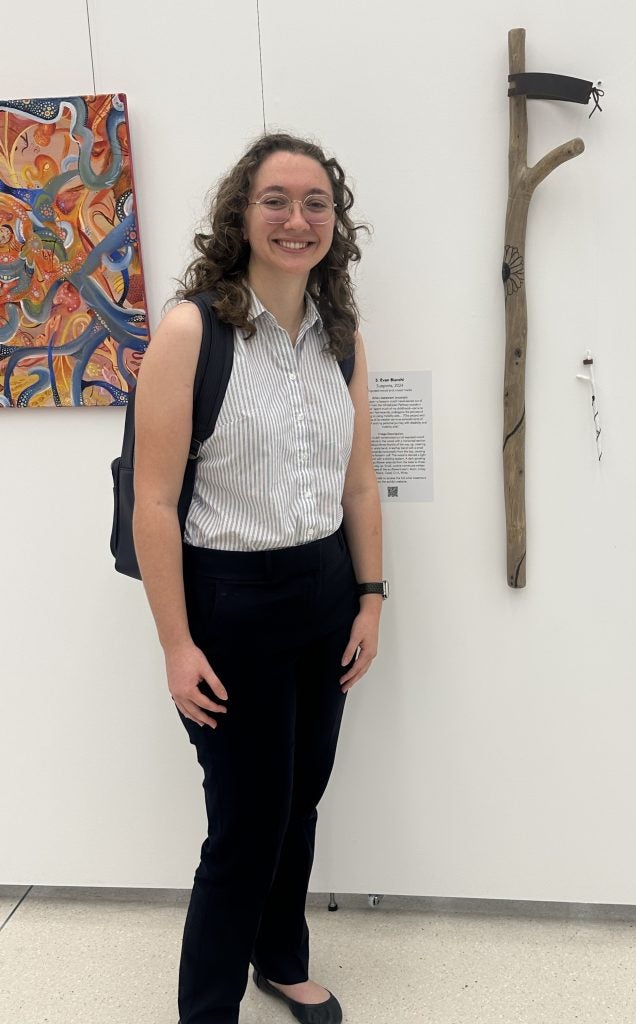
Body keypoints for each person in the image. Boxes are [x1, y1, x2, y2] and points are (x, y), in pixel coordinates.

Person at [133, 132, 384, 1024]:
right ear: (241, 214)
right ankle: (206, 1011)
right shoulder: (191, 331)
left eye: (316, 202)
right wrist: (175, 643)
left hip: (322, 592)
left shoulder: (340, 338)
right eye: (276, 199)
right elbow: (154, 503)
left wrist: (370, 597)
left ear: (334, 223)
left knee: (300, 799)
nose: (296, 219)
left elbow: (358, 482)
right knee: (244, 827)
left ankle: (279, 958)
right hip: (229, 604)